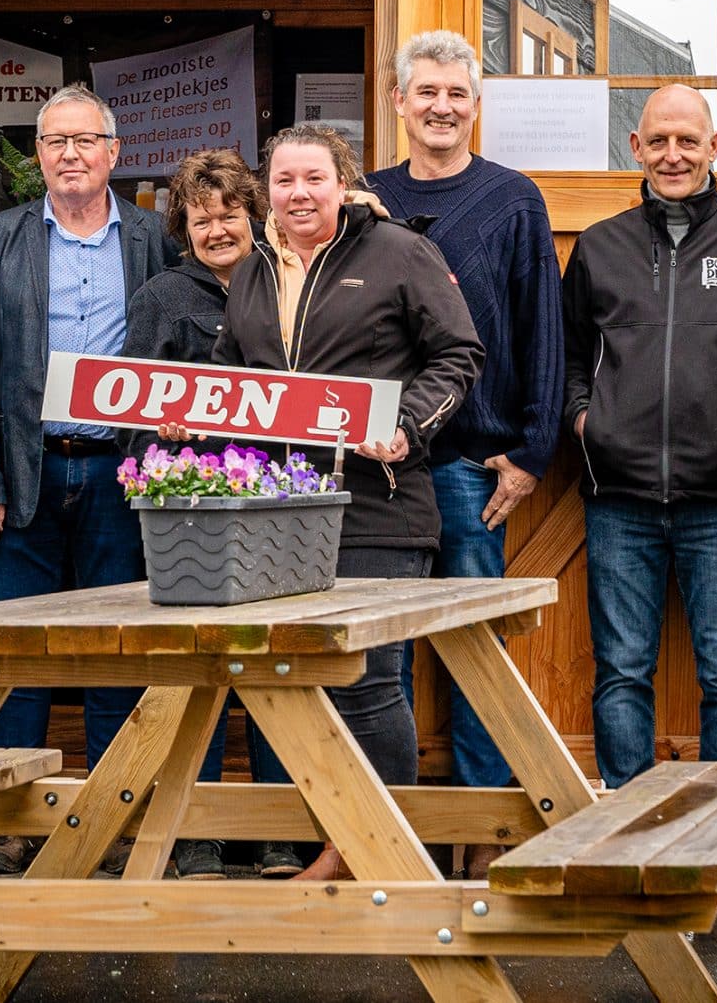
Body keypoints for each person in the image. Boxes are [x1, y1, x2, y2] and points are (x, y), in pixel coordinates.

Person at [560, 84, 717, 898]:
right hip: (619, 495)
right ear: (634, 148)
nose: (674, 153)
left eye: (689, 139)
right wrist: (582, 421)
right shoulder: (599, 246)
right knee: (622, 669)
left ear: (716, 146)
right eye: (658, 139)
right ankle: (630, 835)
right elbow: (566, 355)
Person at [215, 123, 485, 883]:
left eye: (313, 179)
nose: (298, 194)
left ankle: (380, 852)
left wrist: (407, 424)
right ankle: (344, 840)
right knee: (299, 686)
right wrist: (195, 414)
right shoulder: (252, 271)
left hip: (379, 507)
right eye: (284, 181)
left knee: (369, 685)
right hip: (278, 508)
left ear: (343, 183)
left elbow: (460, 352)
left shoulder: (400, 252)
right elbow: (233, 373)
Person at [362, 30, 563, 878]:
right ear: (399, 102)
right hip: (376, 468)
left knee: (478, 650)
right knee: (380, 657)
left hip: (472, 467)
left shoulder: (512, 200)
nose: (442, 105)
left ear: (474, 106)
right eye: (427, 91)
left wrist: (532, 451)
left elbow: (542, 328)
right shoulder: (362, 197)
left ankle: (486, 828)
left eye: (457, 92)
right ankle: (383, 827)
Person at [0, 85, 170, 877]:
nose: (71, 155)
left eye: (86, 141)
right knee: (17, 654)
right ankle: (11, 823)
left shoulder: (153, 235)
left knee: (118, 647)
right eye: (55, 142)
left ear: (114, 151)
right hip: (23, 471)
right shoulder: (2, 237)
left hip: (122, 471)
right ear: (36, 156)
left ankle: (109, 820)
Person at [116, 147, 268, 882]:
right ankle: (194, 830)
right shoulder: (160, 297)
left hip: (274, 502)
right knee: (194, 664)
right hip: (190, 512)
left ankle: (282, 830)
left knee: (274, 666)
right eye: (202, 219)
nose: (217, 229)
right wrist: (159, 430)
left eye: (229, 215)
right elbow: (130, 415)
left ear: (252, 216)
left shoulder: (285, 285)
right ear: (183, 227)